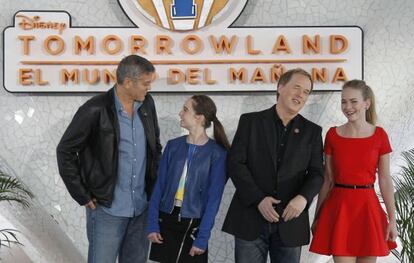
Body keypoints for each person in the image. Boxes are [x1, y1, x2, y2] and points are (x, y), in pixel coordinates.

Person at [56, 55, 162, 263]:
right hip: (107, 209)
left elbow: (155, 146)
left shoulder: (147, 105)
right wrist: (83, 195)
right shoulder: (94, 109)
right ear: (128, 82)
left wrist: (154, 188)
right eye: (145, 83)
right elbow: (65, 151)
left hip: (141, 207)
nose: (148, 88)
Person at [222, 68, 324, 263]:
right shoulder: (250, 122)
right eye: (297, 88)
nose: (301, 95)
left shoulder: (312, 131)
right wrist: (258, 199)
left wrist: (303, 198)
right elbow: (235, 163)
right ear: (280, 87)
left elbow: (317, 173)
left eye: (306, 92)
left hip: (290, 222)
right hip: (250, 217)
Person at [310, 80, 398, 262]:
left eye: (353, 101)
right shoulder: (333, 135)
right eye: (343, 101)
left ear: (367, 103)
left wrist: (392, 219)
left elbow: (385, 180)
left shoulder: (380, 135)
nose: (347, 107)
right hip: (339, 209)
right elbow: (328, 179)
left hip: (368, 210)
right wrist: (317, 216)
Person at [147, 95, 229, 263]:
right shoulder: (173, 146)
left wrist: (202, 238)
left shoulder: (217, 153)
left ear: (199, 117)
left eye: (185, 110)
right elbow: (159, 187)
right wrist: (152, 224)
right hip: (166, 220)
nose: (180, 113)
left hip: (193, 223)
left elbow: (213, 199)